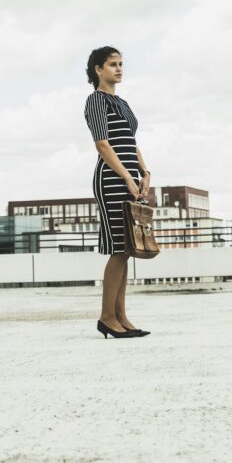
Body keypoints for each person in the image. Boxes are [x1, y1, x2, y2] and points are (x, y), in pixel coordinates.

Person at [84, 46, 151, 339]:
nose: (119, 69)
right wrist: (127, 177)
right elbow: (102, 144)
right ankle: (107, 317)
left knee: (127, 249)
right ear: (99, 69)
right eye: (113, 64)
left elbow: (130, 141)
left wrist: (145, 172)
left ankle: (121, 316)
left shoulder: (122, 102)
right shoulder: (96, 101)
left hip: (129, 177)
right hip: (111, 179)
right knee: (118, 248)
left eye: (121, 64)